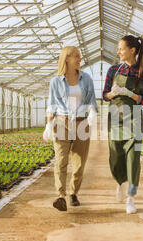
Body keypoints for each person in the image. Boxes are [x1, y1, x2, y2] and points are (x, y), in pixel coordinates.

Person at [102, 35, 143, 214]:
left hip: (135, 118)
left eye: (121, 48)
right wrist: (112, 94)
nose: (118, 52)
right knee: (116, 155)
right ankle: (120, 182)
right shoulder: (113, 70)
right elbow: (104, 95)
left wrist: (130, 94)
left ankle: (131, 198)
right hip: (115, 117)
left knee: (133, 159)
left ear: (132, 50)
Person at [43, 46, 98, 211]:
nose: (79, 59)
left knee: (79, 163)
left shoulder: (86, 79)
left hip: (82, 123)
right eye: (76, 56)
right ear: (66, 58)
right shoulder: (56, 81)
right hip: (62, 123)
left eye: (80, 57)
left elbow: (91, 101)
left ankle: (73, 192)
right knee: (61, 160)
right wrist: (48, 124)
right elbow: (51, 105)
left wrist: (92, 113)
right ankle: (61, 196)